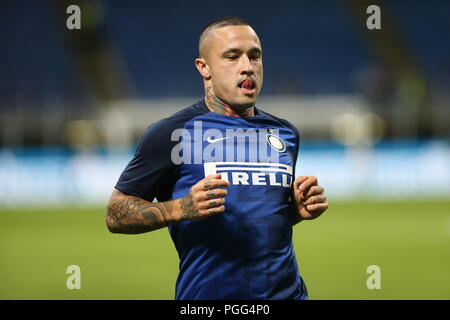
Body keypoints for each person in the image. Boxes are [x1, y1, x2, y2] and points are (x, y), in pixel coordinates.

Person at [106, 16, 328, 300]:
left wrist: (294, 211)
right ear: (204, 68)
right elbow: (115, 214)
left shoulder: (284, 133)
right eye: (232, 57)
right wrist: (179, 209)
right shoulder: (174, 133)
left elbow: (260, 219)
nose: (247, 67)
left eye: (255, 56)